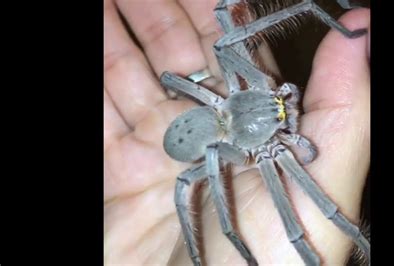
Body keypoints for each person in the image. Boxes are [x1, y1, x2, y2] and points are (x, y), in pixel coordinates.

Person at [104, 0, 370, 264]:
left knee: (223, 27)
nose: (283, 105)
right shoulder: (249, 151)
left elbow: (171, 75)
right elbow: (204, 153)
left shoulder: (256, 83)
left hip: (214, 112)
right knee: (311, 222)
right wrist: (228, 234)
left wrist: (307, 6)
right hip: (211, 134)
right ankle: (209, 248)